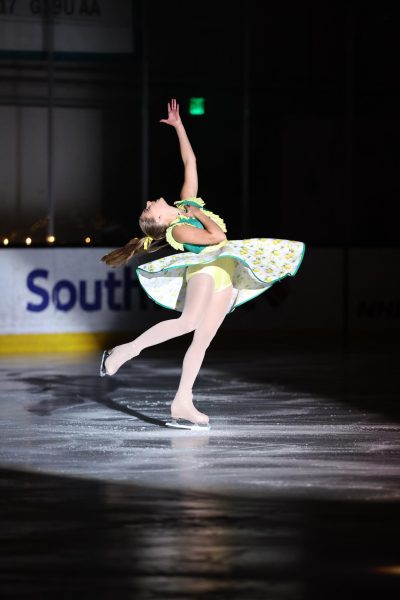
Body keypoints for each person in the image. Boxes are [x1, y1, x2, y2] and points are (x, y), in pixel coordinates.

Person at [100, 98, 305, 430]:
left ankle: (182, 401)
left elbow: (190, 161)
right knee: (188, 322)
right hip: (205, 269)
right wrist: (196, 214)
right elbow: (216, 236)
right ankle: (124, 351)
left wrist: (179, 127)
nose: (150, 201)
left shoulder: (185, 207)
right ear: (159, 221)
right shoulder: (179, 227)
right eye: (148, 208)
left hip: (224, 272)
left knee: (202, 340)